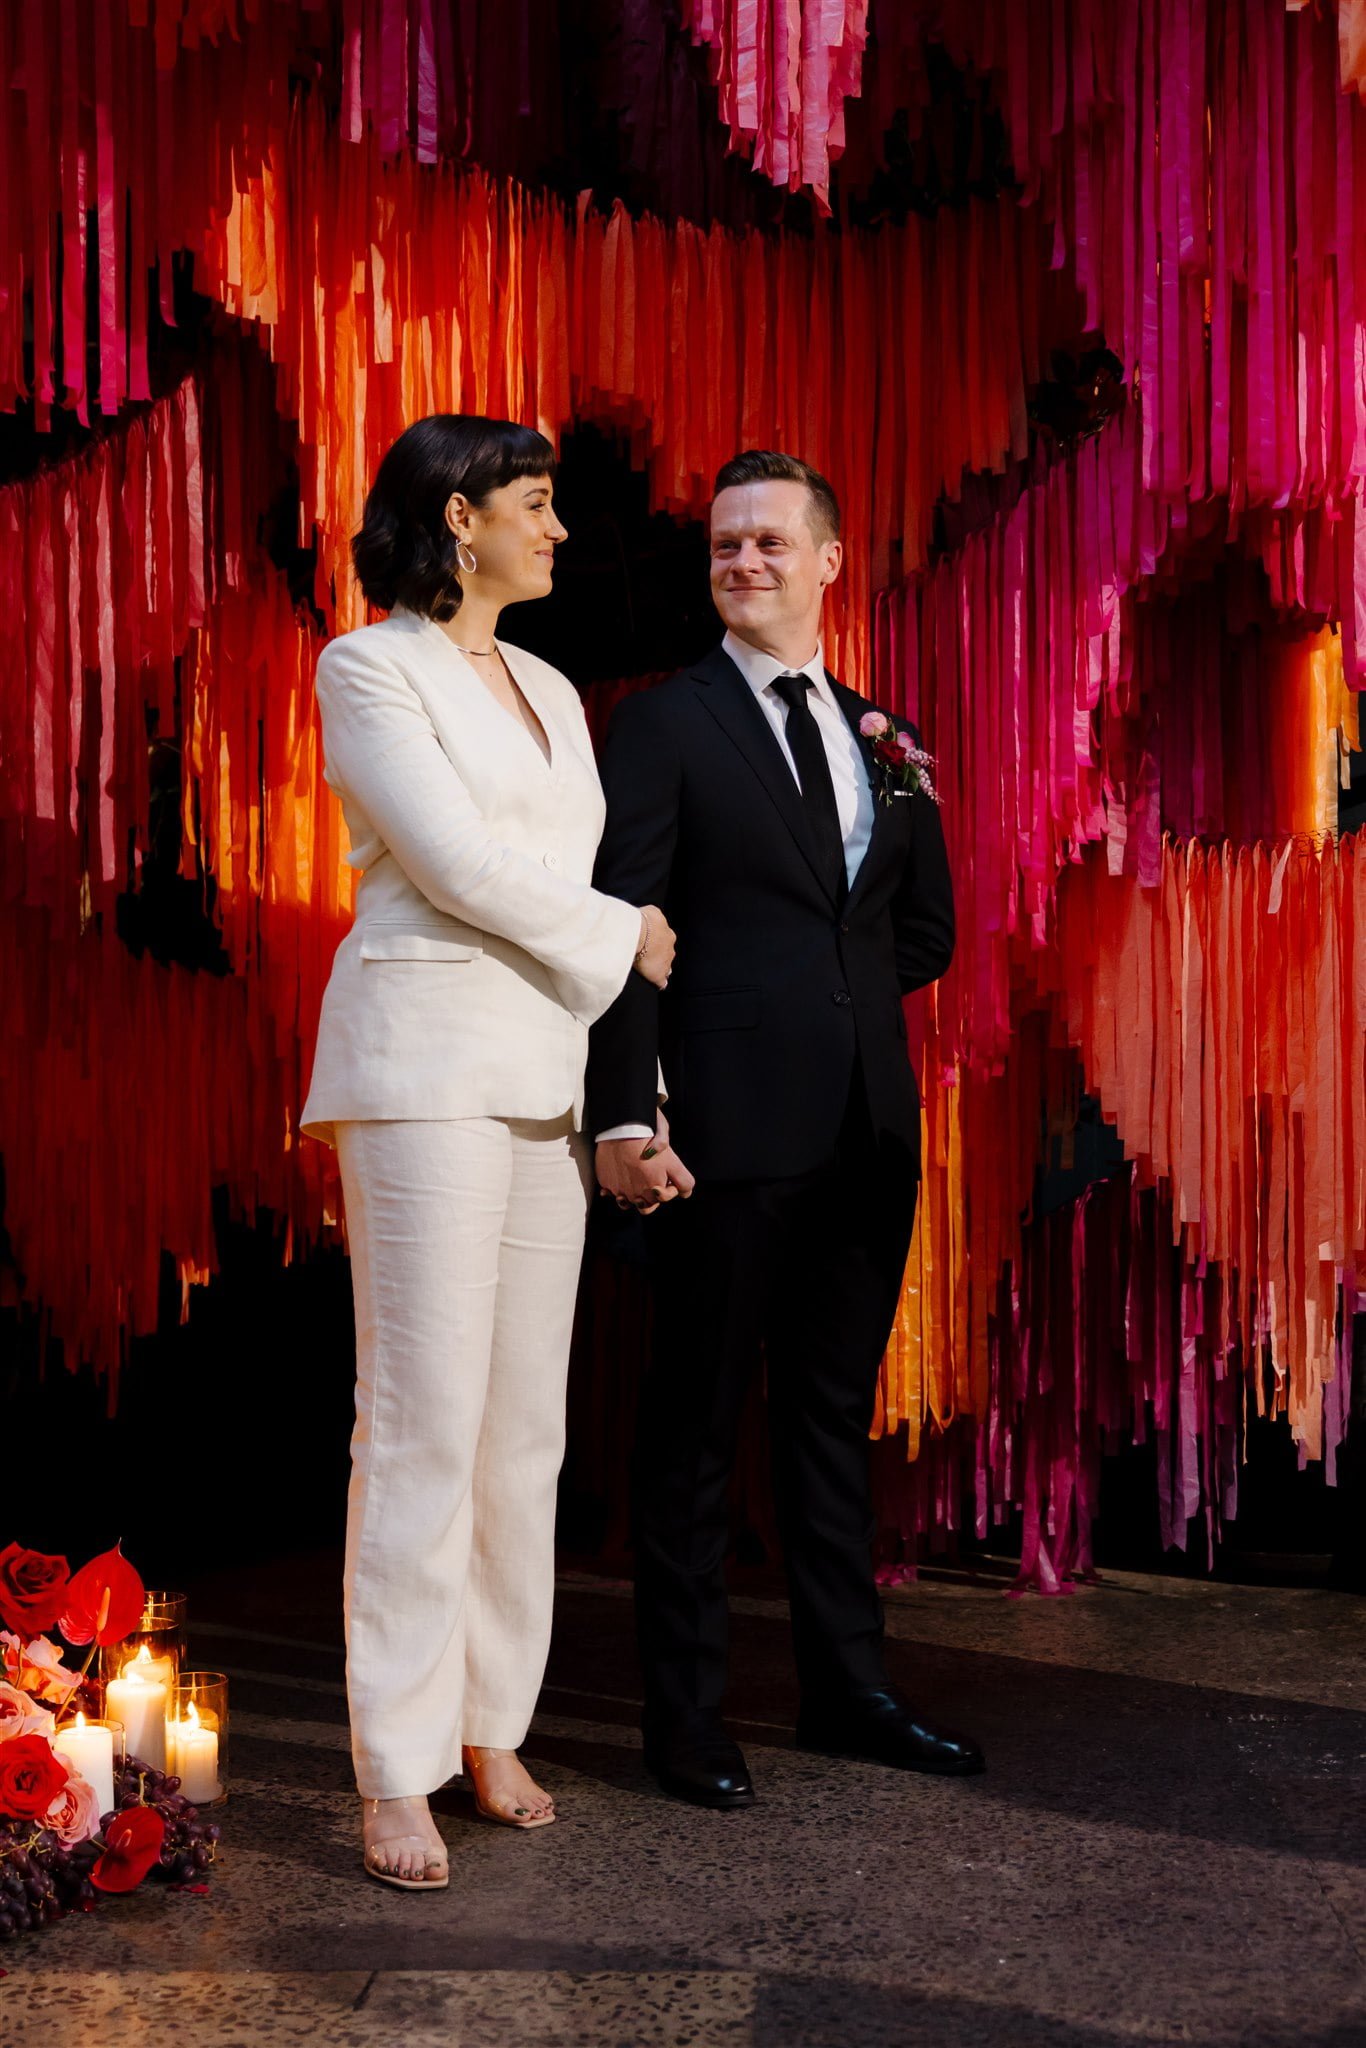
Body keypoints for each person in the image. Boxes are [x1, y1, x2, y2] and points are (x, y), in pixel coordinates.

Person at [300, 415, 675, 1888]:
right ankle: (395, 1763)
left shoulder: (552, 686)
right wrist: (621, 935)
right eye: (537, 503)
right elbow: (454, 865)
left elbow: (551, 869)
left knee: (525, 1432)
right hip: (423, 1068)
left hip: (541, 1073)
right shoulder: (368, 666)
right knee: (422, 1419)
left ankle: (488, 1723)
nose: (560, 529)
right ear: (458, 520)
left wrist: (626, 1080)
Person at [587, 449, 983, 1809]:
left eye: (768, 541)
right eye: (723, 544)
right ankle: (685, 1717)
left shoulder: (887, 736)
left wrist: (830, 1014)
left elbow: (921, 932)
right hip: (719, 1132)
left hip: (866, 1129)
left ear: (828, 562)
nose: (742, 561)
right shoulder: (662, 722)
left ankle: (848, 1693)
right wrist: (630, 1105)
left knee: (827, 1422)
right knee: (694, 1430)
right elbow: (623, 926)